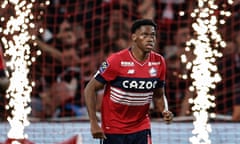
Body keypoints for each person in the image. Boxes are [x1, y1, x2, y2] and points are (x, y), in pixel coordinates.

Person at [84, 19, 173, 144]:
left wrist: (164, 110)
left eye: (153, 35)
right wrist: (94, 123)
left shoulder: (159, 62)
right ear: (134, 37)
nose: (150, 39)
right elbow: (90, 88)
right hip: (113, 128)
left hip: (141, 127)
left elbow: (159, 95)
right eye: (145, 35)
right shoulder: (116, 60)